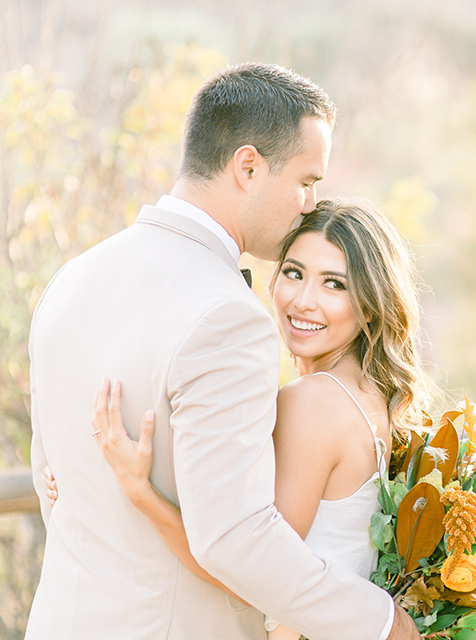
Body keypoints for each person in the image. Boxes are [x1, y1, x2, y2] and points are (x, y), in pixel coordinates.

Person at [27, 63, 420, 640]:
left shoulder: (72, 278)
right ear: (248, 166)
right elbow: (234, 537)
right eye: (306, 180)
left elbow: (50, 479)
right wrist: (382, 622)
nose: (311, 204)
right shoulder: (226, 313)